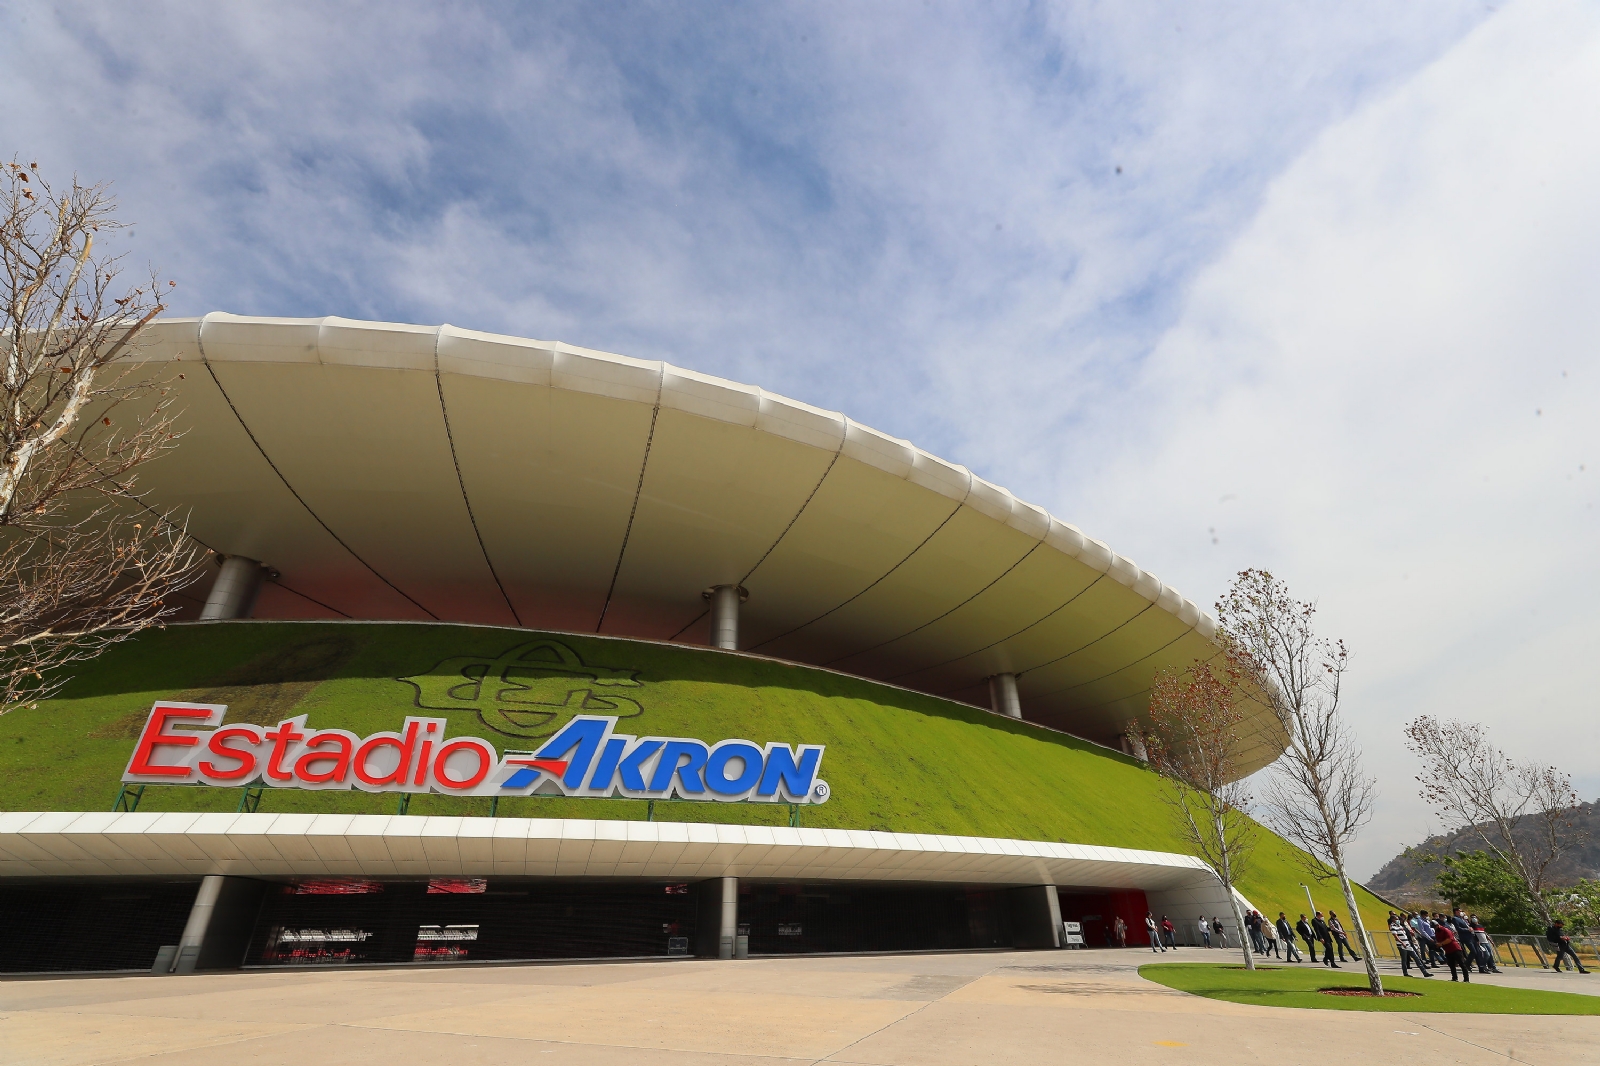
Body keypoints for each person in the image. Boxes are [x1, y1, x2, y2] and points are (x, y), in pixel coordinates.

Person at [1388, 910, 1430, 978]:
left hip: (1408, 943)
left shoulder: (1400, 926)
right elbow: (1396, 937)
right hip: (1402, 945)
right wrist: (1402, 943)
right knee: (1404, 959)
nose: (1398, 920)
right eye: (1396, 919)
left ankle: (1424, 972)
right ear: (1393, 920)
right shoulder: (1393, 927)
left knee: (1416, 957)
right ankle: (1405, 973)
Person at [1433, 917, 1471, 982]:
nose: (1434, 928)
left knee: (1461, 964)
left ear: (1437, 925)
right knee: (1451, 965)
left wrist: (1441, 944)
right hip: (1448, 950)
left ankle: (1466, 979)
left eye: (1435, 927)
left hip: (1455, 948)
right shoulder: (1437, 932)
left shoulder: (1446, 930)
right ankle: (1454, 978)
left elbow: (1449, 939)